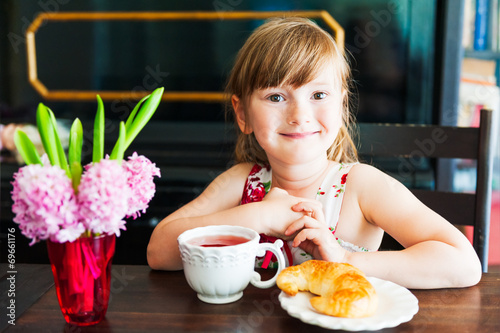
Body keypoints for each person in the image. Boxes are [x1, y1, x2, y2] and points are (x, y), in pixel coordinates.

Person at [147, 17, 481, 288]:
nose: (299, 115)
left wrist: (345, 261)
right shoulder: (242, 183)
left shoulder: (362, 187)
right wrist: (258, 216)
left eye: (319, 95)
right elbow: (158, 251)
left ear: (342, 105)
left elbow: (463, 263)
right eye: (276, 97)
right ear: (242, 113)